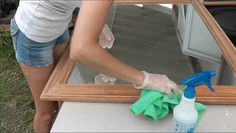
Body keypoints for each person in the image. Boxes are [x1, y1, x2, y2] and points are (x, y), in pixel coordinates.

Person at [11, 0, 179, 132]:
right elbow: (81, 50)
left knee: (60, 93)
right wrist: (145, 79)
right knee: (47, 112)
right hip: (32, 36)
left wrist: (94, 25)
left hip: (58, 25)